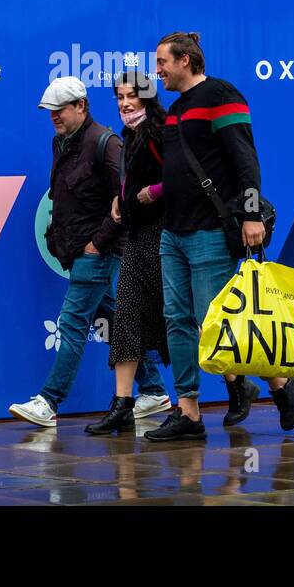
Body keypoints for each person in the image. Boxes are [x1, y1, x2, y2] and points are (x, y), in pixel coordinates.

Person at [143, 32, 294, 442]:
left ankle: (281, 386)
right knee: (177, 322)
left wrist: (251, 214)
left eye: (162, 62)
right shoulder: (176, 108)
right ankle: (189, 413)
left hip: (210, 232)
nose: (156, 70)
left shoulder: (222, 94)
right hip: (173, 232)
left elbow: (245, 159)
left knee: (219, 324)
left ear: (186, 60)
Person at [9, 76, 170, 427]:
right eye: (50, 111)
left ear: (81, 105)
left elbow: (124, 199)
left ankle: (49, 401)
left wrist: (98, 243)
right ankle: (154, 390)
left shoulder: (106, 143)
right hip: (75, 251)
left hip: (98, 252)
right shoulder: (61, 142)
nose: (54, 116)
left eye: (60, 109)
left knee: (72, 325)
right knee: (113, 318)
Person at [85, 71, 173, 435]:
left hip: (166, 236)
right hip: (136, 235)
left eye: (131, 96)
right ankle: (122, 403)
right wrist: (119, 199)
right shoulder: (129, 135)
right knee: (126, 317)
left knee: (186, 320)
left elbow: (180, 179)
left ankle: (244, 382)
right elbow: (129, 180)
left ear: (147, 97)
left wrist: (153, 191)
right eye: (119, 97)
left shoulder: (161, 131)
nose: (124, 103)